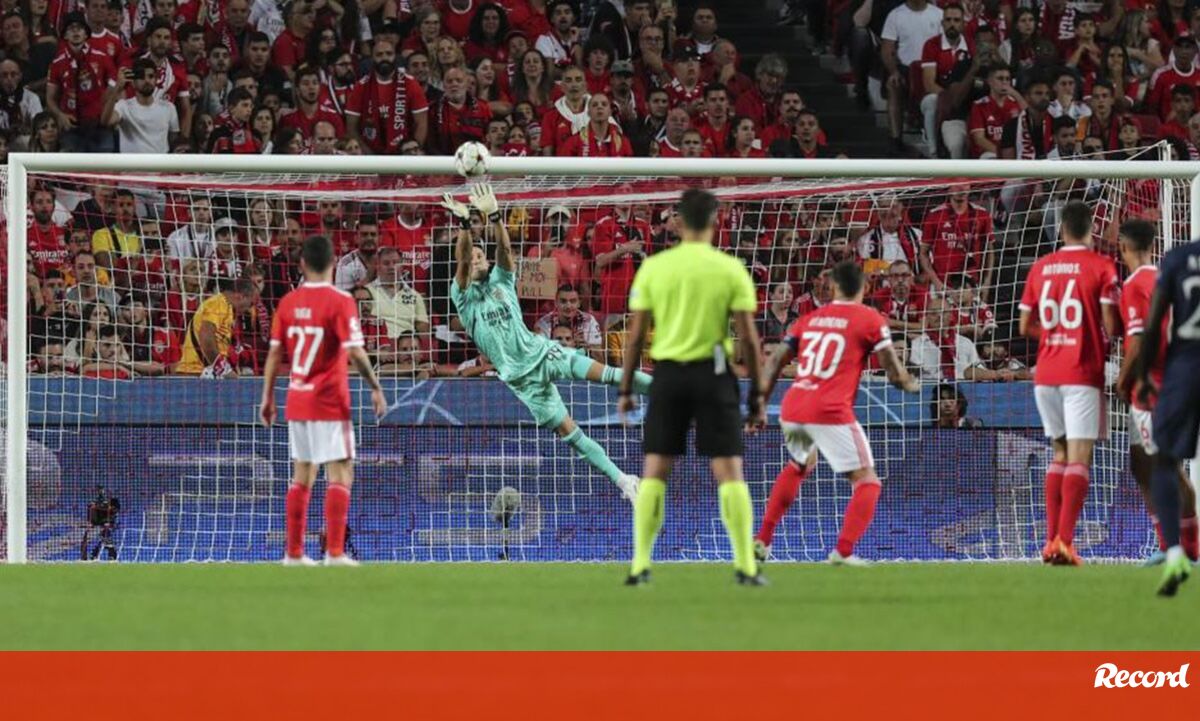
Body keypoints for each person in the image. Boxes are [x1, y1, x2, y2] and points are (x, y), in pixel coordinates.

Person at [444, 184, 650, 504]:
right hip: (521, 380)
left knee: (610, 375)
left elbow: (504, 251)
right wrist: (463, 226)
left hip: (543, 352)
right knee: (572, 435)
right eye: (472, 260)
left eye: (481, 256)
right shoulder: (463, 297)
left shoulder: (501, 280)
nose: (477, 261)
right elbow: (461, 261)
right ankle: (625, 481)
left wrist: (494, 215)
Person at [617, 188, 766, 586]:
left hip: (668, 375)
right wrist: (758, 395)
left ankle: (640, 564)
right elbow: (750, 339)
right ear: (715, 221)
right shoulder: (730, 268)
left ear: (678, 222)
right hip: (713, 375)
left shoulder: (656, 268)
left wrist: (626, 388)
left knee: (655, 471)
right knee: (729, 471)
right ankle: (745, 566)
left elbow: (636, 336)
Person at [753, 261, 920, 565]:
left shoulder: (809, 319)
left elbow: (775, 361)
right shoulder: (870, 318)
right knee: (867, 481)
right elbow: (894, 373)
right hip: (829, 408)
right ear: (865, 287)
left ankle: (762, 539)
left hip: (794, 405)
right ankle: (842, 552)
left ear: (832, 287)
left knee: (800, 465)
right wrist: (911, 383)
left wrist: (759, 404)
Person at [259, 234, 388, 567]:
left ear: (302, 264)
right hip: (330, 400)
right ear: (333, 264)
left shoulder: (288, 302)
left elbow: (274, 354)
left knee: (302, 475)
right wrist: (375, 386)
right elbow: (355, 351)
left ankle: (294, 554)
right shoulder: (341, 301)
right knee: (340, 473)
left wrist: (268, 397)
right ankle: (334, 553)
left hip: (298, 399)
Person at [1018, 200, 1119, 567]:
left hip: (1046, 373)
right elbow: (1112, 326)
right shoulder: (1101, 266)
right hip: (1080, 371)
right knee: (1079, 457)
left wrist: (1056, 335)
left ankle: (1050, 542)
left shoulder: (1040, 267)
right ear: (1091, 229)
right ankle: (1064, 542)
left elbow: (1024, 326)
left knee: (1059, 454)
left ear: (1061, 230)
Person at [1115, 220, 1199, 568]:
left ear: (1122, 247)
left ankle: (1184, 548)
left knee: (1164, 468)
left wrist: (1123, 381)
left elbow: (1138, 341)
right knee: (1145, 465)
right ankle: (1175, 545)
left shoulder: (1135, 285)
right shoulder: (1166, 277)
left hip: (1152, 386)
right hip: (1175, 380)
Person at [1134, 232, 1200, 595]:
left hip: (1186, 368)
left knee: (1164, 460)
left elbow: (1154, 323)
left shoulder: (1176, 259)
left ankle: (1174, 552)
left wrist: (1144, 374)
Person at [175, 277, 260, 376]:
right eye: (251, 304)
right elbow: (206, 337)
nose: (250, 309)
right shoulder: (218, 303)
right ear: (240, 296)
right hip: (194, 373)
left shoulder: (228, 309)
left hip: (204, 374)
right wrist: (223, 369)